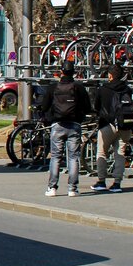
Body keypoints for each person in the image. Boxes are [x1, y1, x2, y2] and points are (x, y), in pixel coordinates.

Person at [39, 60, 92, 197]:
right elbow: (87, 107)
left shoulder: (53, 87)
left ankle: (52, 188)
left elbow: (44, 106)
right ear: (73, 72)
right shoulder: (78, 88)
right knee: (73, 157)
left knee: (56, 157)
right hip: (75, 125)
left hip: (58, 125)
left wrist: (48, 116)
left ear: (61, 71)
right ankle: (72, 188)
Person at [91, 64, 133, 193]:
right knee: (120, 153)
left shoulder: (102, 89)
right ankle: (117, 183)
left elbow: (97, 106)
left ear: (110, 75)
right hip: (124, 124)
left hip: (107, 124)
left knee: (102, 152)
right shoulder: (127, 89)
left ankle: (101, 181)